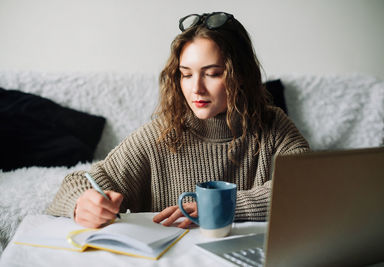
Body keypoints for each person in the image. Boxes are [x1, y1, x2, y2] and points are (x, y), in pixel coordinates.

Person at [46, 12, 309, 229]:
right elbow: (79, 182)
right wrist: (82, 204)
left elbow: (310, 185)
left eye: (213, 74)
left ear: (240, 75)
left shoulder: (274, 126)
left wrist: (218, 208)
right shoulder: (162, 133)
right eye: (186, 74)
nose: (196, 89)